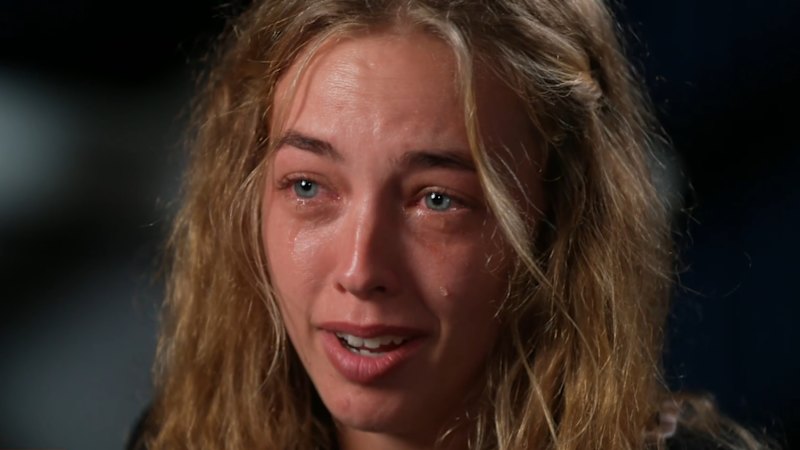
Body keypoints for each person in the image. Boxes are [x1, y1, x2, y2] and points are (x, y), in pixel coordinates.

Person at [132, 1, 774, 449]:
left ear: (559, 222)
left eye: (437, 200)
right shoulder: (182, 439)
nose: (360, 270)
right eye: (308, 186)